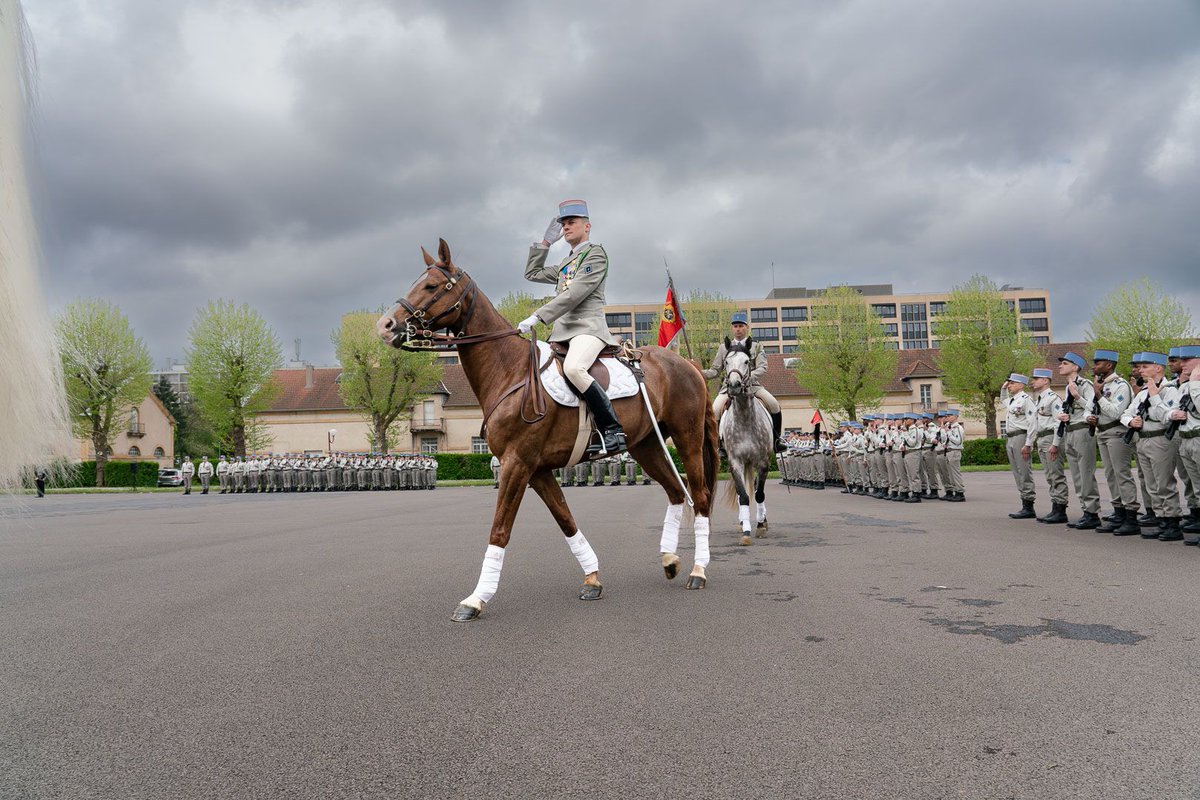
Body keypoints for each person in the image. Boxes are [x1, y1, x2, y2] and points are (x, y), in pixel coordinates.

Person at [522, 200, 626, 456]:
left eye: (572, 222)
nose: (566, 227)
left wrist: (538, 315)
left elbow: (575, 294)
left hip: (587, 329)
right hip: (561, 332)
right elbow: (532, 273)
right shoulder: (566, 263)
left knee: (574, 368)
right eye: (564, 224)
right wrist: (544, 245)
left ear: (587, 226)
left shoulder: (595, 254)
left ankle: (613, 431)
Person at [703, 312, 786, 454]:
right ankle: (718, 445)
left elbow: (762, 367)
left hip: (752, 386)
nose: (738, 329)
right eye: (735, 326)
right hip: (729, 388)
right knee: (715, 410)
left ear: (746, 327)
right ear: (732, 329)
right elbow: (716, 370)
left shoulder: (756, 346)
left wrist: (748, 378)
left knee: (773, 404)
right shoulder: (724, 348)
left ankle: (776, 441)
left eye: (741, 326)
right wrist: (698, 372)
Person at [1121, 352, 1183, 540]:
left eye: (1145, 366)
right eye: (1140, 367)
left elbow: (1168, 415)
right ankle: (1161, 519)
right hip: (1142, 440)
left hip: (1160, 439)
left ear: (1158, 368)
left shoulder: (1171, 389)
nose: (1140, 370)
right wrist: (1131, 422)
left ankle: (1172, 521)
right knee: (1151, 484)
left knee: (1164, 482)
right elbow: (1125, 413)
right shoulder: (1142, 393)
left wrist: (1155, 397)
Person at [1089, 350, 1139, 535]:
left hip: (1117, 431)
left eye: (1098, 362)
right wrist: (1090, 416)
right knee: (1110, 475)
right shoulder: (1101, 384)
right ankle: (1119, 512)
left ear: (1109, 365)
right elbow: (1090, 407)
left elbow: (1116, 413)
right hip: (1102, 432)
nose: (1094, 366)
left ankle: (1131, 515)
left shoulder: (1121, 385)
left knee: (1122, 474)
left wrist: (1099, 395)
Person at [1051, 351, 1100, 529]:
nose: (1060, 366)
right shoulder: (1068, 386)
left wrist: (1077, 396)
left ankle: (1092, 513)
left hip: (1082, 431)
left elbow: (1093, 406)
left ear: (1075, 367)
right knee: (1077, 475)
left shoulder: (1085, 384)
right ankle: (1085, 510)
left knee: (1086, 473)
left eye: (1064, 363)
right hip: (1070, 431)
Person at [1167, 346, 1200, 541]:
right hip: (1186, 439)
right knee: (1197, 487)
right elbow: (1175, 409)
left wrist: (1195, 383)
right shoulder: (1185, 385)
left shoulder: (1194, 383)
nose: (1182, 364)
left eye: (1187, 360)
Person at [1028, 368, 1069, 524]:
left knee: (1056, 474)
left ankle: (1061, 509)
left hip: (1051, 438)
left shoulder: (1053, 398)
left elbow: (1059, 422)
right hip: (1042, 438)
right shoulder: (1040, 399)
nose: (1033, 381)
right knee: (1049, 475)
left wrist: (1055, 444)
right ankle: (1055, 506)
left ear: (1045, 380)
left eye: (1037, 378)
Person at [1001, 373, 1037, 519]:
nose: (1009, 385)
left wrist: (1028, 443)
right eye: (1009, 383)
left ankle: (1029, 505)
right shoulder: (1012, 401)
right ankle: (1024, 504)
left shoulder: (1026, 400)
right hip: (1011, 438)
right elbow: (1003, 400)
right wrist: (1003, 389)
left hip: (1021, 436)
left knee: (1024, 470)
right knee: (1017, 471)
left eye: (1012, 383)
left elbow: (1032, 422)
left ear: (1021, 385)